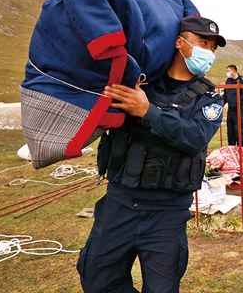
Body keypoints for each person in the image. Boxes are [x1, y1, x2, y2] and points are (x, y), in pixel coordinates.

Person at [77, 16, 226, 292]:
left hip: (167, 214)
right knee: (97, 280)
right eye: (203, 42)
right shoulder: (139, 82)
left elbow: (195, 138)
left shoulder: (209, 98)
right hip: (120, 203)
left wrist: (147, 111)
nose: (209, 52)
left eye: (213, 47)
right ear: (179, 42)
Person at [223, 64, 243, 146]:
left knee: (240, 132)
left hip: (240, 110)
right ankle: (231, 149)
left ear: (233, 71)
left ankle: (242, 150)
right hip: (231, 110)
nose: (227, 73)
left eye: (228, 71)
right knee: (231, 131)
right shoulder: (228, 81)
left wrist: (237, 103)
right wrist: (220, 103)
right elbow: (226, 95)